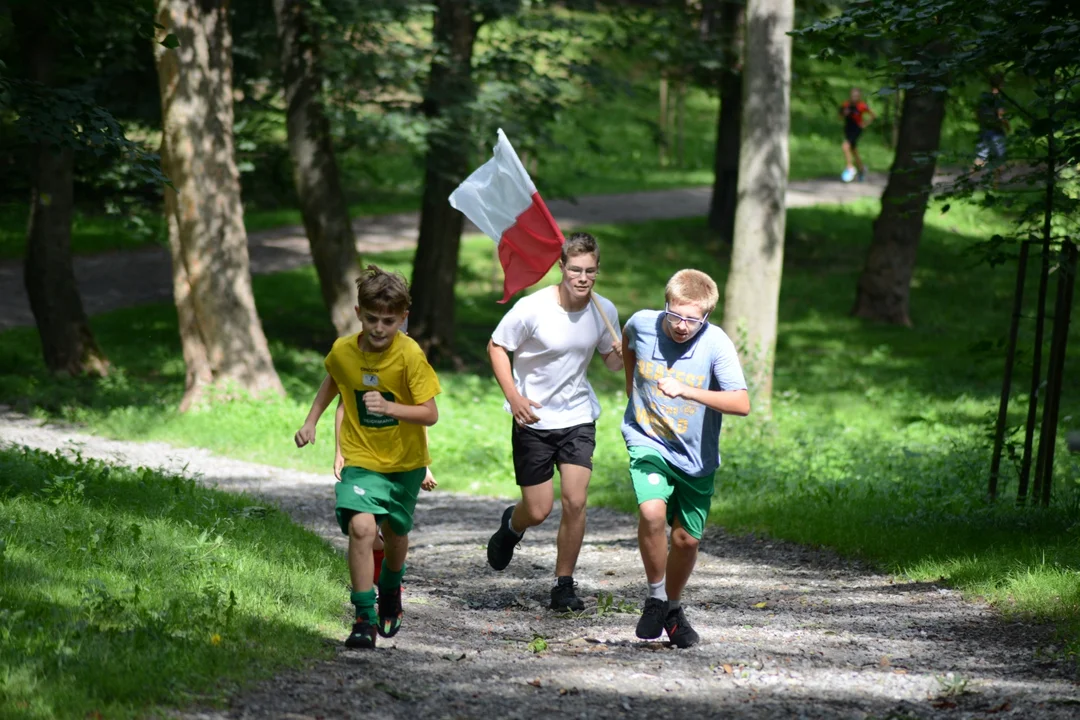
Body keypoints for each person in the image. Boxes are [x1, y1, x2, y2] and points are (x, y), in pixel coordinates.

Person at [295, 265, 441, 649]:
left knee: (394, 534)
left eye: (389, 321)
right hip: (361, 458)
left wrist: (392, 409)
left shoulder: (410, 355)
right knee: (361, 529)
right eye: (372, 319)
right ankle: (363, 616)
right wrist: (311, 421)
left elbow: (430, 413)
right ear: (359, 313)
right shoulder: (344, 351)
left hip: (405, 463)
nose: (379, 328)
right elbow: (334, 379)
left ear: (402, 318)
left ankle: (391, 586)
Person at [484, 232, 623, 612]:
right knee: (539, 509)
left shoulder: (603, 310)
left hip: (578, 416)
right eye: (575, 270)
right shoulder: (533, 308)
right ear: (561, 267)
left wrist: (619, 354)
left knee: (576, 501)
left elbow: (610, 362)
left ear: (597, 271)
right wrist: (514, 397)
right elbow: (497, 346)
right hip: (534, 417)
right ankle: (512, 526)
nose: (582, 278)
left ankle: (563, 584)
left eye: (590, 271)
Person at [621, 269, 750, 648]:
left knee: (686, 540)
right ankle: (655, 597)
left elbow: (741, 403)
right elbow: (629, 345)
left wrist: (689, 391)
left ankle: (672, 609)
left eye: (692, 319)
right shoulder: (643, 324)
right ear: (667, 304)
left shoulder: (716, 344)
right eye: (675, 314)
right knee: (651, 513)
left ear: (707, 316)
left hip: (695, 456)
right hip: (648, 440)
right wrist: (633, 394)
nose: (681, 326)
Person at [333, 401, 438, 585]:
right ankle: (371, 582)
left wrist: (424, 465)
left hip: (402, 460)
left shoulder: (405, 374)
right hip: (362, 456)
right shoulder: (356, 372)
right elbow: (344, 405)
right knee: (363, 523)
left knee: (393, 528)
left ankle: (389, 579)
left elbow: (420, 421)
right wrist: (339, 452)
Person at [973, 74, 1009, 184]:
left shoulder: (984, 97)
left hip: (984, 131)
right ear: (1001, 84)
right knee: (1000, 159)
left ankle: (969, 181)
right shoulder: (999, 98)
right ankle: (997, 184)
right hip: (996, 132)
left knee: (980, 158)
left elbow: (977, 113)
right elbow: (1001, 115)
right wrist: (1007, 126)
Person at [839, 87, 875, 183]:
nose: (854, 97)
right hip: (848, 128)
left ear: (859, 96)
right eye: (852, 95)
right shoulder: (846, 104)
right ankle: (862, 169)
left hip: (857, 129)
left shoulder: (862, 106)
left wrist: (865, 123)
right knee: (853, 150)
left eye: (856, 96)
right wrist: (844, 114)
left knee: (845, 146)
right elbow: (840, 116)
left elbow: (873, 115)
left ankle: (850, 168)